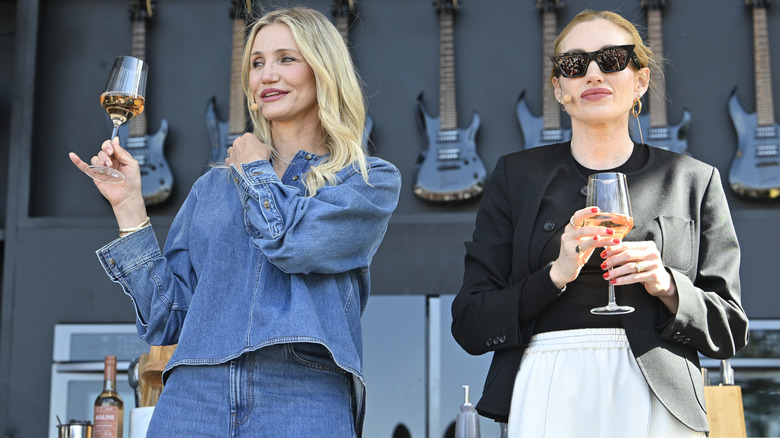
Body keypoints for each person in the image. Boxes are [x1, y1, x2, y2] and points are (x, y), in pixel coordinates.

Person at [69, 6, 401, 437]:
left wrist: (253, 172)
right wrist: (129, 206)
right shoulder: (212, 188)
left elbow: (292, 243)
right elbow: (165, 318)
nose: (267, 75)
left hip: (302, 395)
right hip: (193, 396)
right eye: (257, 63)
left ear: (324, 70)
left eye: (286, 59)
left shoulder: (365, 181)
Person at [450, 9, 748, 438]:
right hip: (548, 382)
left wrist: (666, 285)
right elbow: (470, 322)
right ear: (559, 88)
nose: (592, 74)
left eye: (611, 60)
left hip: (660, 391)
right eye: (574, 65)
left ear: (640, 81)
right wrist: (553, 276)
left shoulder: (693, 180)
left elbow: (730, 329)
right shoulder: (515, 177)